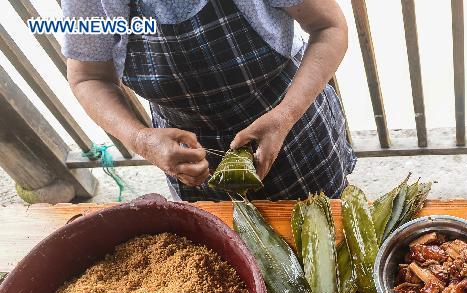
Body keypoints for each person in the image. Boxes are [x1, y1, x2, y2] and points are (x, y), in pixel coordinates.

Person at [63, 0, 355, 201]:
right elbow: (88, 78)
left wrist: (286, 115)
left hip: (291, 130)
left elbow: (329, 28)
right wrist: (141, 139)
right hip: (193, 158)